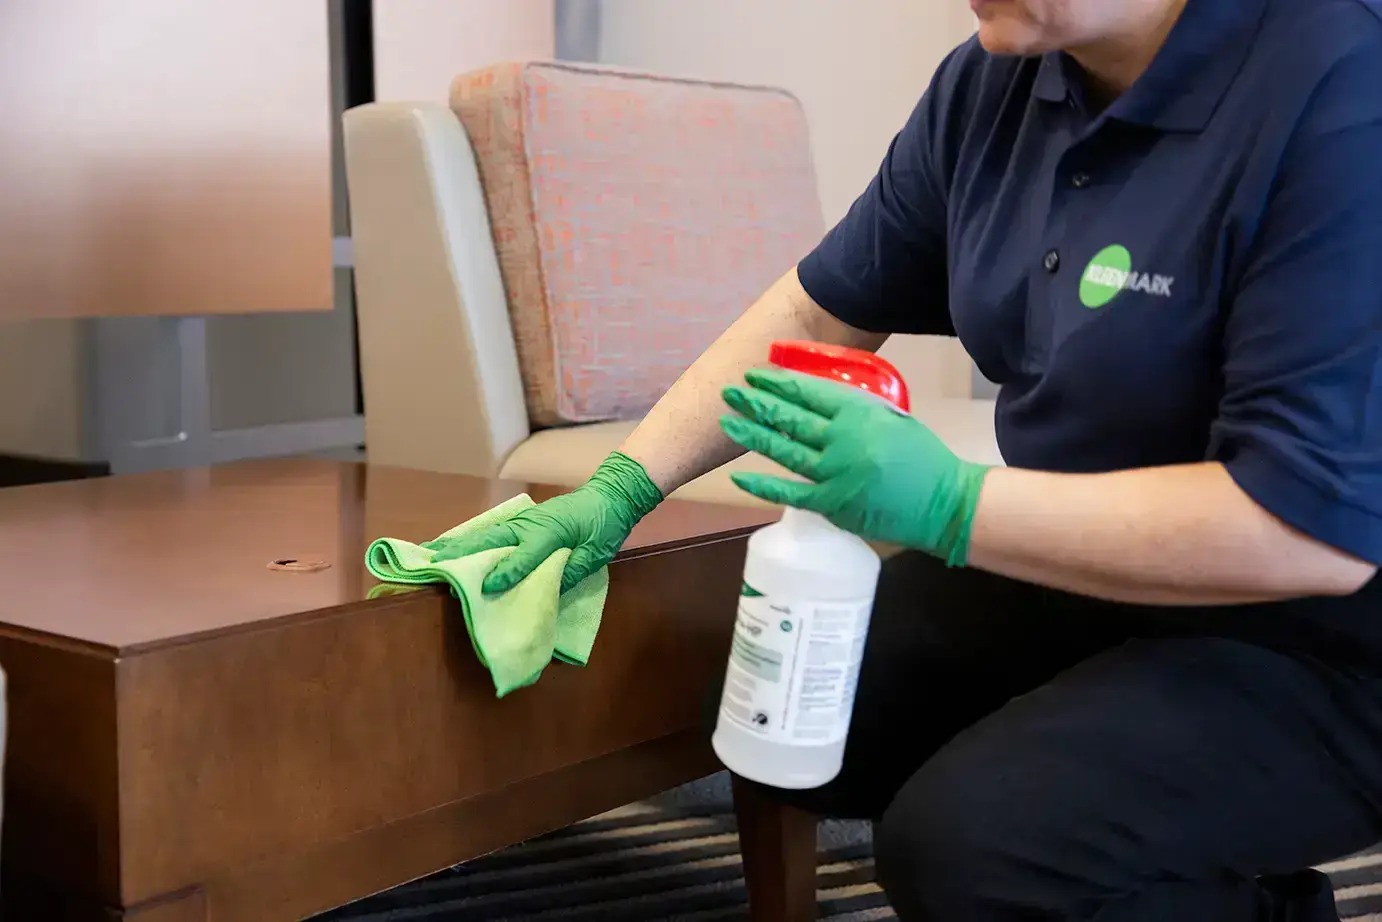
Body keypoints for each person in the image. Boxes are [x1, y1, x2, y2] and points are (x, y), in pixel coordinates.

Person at [435, 0, 1382, 917]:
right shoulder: (998, 82)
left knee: (971, 853)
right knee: (781, 704)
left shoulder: (1340, 85)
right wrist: (625, 483)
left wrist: (951, 504)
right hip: (1083, 567)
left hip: (1320, 639)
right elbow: (818, 312)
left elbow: (1306, 532)